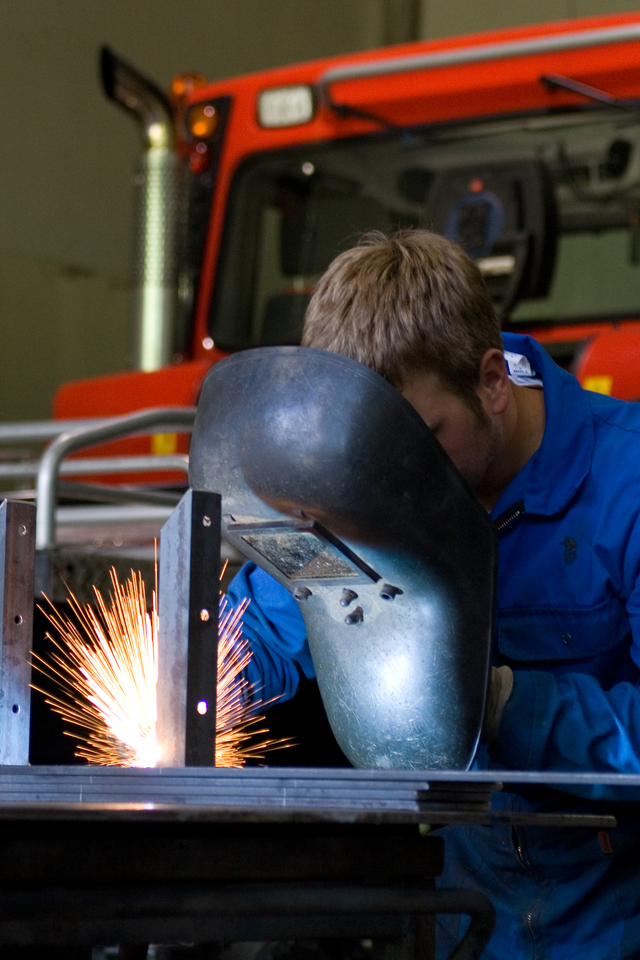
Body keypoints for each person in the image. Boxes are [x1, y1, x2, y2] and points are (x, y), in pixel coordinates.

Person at [226, 229, 640, 959]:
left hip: (614, 921)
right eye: (370, 451)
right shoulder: (374, 480)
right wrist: (205, 668)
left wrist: (508, 706)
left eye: (424, 438)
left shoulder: (625, 485)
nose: (393, 482)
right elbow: (273, 619)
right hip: (463, 921)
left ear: (490, 382)